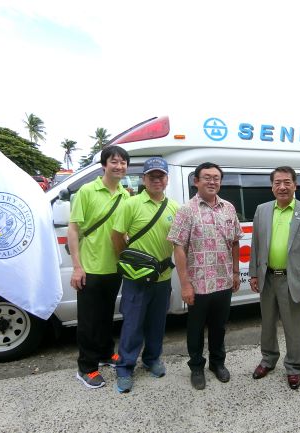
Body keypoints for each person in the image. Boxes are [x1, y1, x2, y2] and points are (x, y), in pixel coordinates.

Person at [167, 162, 242, 390]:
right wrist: (185, 284)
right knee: (196, 328)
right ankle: (197, 367)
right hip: (198, 284)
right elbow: (178, 247)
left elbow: (235, 241)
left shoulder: (228, 208)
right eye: (206, 177)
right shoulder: (186, 210)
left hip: (223, 280)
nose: (212, 181)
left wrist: (236, 272)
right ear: (196, 181)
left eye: (216, 177)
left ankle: (217, 364)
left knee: (219, 327)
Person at [111, 157, 179, 394]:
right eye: (152, 176)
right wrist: (127, 260)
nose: (156, 180)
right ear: (144, 179)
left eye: (161, 176)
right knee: (132, 323)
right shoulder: (131, 204)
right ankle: (125, 367)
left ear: (167, 179)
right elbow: (117, 236)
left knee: (157, 323)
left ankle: (152, 359)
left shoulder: (174, 208)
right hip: (136, 278)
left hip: (163, 276)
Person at [249, 166, 300, 390]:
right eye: (277, 182)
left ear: (295, 185)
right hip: (268, 277)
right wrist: (253, 273)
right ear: (272, 186)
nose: (282, 186)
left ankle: (294, 366)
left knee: (293, 326)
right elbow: (256, 245)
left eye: (287, 182)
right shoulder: (262, 210)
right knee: (267, 324)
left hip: (294, 279)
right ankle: (268, 360)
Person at [68, 145, 130, 389]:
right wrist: (77, 267)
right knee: (88, 321)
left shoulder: (126, 195)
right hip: (90, 267)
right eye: (114, 161)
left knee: (106, 315)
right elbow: (73, 230)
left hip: (114, 267)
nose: (119, 166)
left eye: (123, 162)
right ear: (104, 165)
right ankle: (86, 368)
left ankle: (106, 353)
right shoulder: (87, 190)